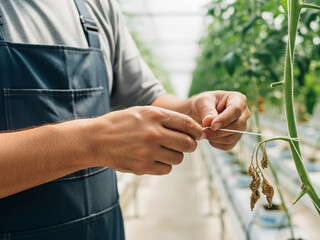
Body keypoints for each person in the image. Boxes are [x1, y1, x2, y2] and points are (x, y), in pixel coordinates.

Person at [0, 0, 250, 239]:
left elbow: (148, 99)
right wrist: (93, 142)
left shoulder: (96, 7)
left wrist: (194, 111)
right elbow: (102, 135)